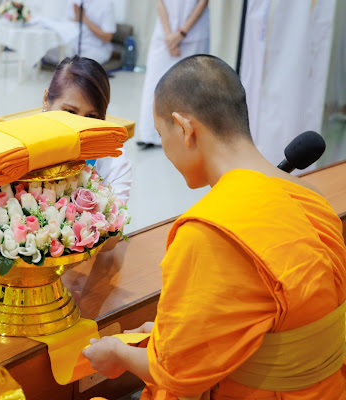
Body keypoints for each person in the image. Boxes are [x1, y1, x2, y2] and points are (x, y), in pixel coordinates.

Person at [83, 55, 346, 399]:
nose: (166, 153)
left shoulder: (207, 233)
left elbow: (178, 374)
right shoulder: (312, 198)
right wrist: (168, 334)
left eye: (162, 135)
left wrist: (118, 354)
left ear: (184, 128)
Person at [42, 55, 132, 204]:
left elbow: (116, 212)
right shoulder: (19, 150)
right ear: (46, 100)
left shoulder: (114, 161)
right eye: (70, 112)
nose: (79, 126)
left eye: (91, 116)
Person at [136, 0, 208, 148]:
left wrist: (181, 34)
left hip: (193, 33)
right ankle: (149, 135)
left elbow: (203, 2)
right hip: (164, 33)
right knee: (154, 84)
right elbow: (160, 2)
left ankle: (184, 136)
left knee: (188, 89)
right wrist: (169, 36)